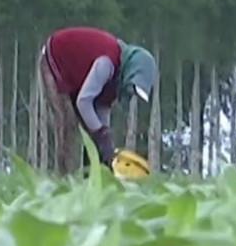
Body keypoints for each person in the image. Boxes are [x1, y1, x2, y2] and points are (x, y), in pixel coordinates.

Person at [38, 26, 156, 173]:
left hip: (80, 80)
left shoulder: (117, 80)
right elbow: (84, 102)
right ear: (130, 72)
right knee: (68, 125)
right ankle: (64, 179)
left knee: (93, 135)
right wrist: (101, 133)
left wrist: (105, 139)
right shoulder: (107, 63)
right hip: (56, 59)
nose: (131, 94)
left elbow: (102, 106)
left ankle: (92, 177)